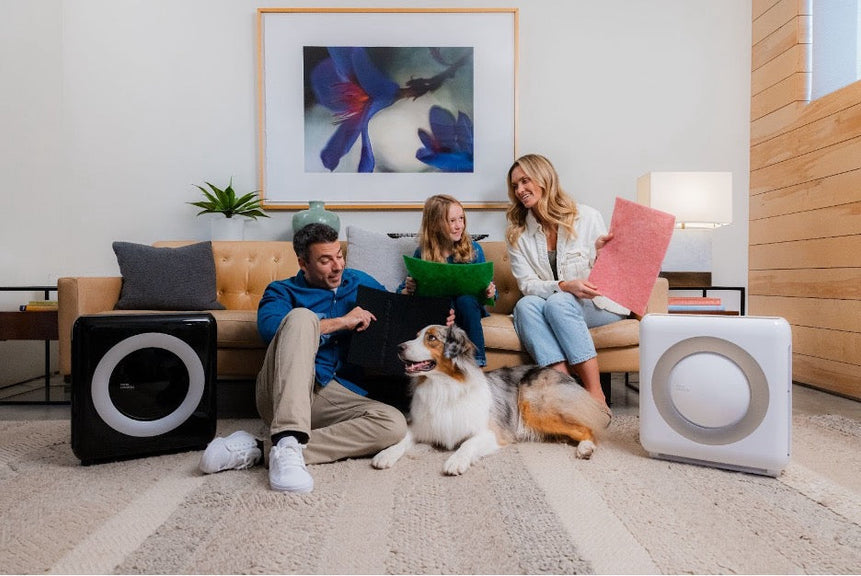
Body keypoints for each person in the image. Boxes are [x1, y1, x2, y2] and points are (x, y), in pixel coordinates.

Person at [198, 223, 410, 493]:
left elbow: (393, 314)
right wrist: (341, 322)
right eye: (325, 260)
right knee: (300, 317)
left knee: (393, 425)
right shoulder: (281, 291)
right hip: (279, 391)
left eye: (339, 256)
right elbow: (271, 330)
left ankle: (265, 449)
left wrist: (430, 311)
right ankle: (287, 434)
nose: (337, 266)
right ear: (303, 263)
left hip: (330, 394)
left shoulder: (360, 282)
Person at [505, 154, 628, 410]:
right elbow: (527, 285)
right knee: (525, 305)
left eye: (525, 181)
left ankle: (596, 396)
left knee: (558, 303)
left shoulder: (587, 217)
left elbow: (608, 276)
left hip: (599, 305)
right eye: (515, 185)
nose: (520, 190)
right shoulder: (518, 233)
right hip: (558, 303)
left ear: (544, 178)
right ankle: (566, 392)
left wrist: (601, 257)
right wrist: (563, 286)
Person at [398, 194, 496, 367]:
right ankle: (444, 364)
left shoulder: (474, 249)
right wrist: (408, 288)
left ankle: (477, 363)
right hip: (442, 309)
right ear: (436, 224)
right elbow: (403, 290)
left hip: (469, 309)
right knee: (444, 303)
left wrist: (490, 291)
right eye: (452, 221)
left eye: (461, 219)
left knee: (465, 300)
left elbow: (488, 292)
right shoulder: (423, 253)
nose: (459, 225)